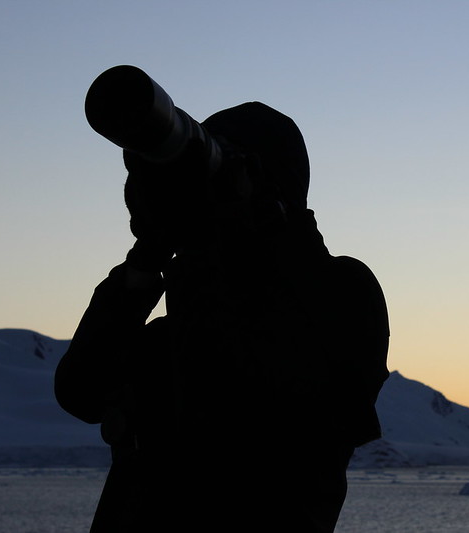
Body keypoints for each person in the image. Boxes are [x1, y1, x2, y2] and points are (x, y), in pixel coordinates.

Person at [55, 102, 390, 532]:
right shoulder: (171, 330)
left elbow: (233, 402)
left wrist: (242, 226)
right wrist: (147, 257)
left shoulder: (342, 290)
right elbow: (81, 393)